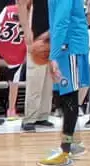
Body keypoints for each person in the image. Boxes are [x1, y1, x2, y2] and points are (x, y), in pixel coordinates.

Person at [38, 0, 89, 166]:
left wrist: (53, 55)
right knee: (62, 97)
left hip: (69, 47)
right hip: (66, 44)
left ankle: (65, 151)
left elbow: (62, 20)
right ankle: (73, 144)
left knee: (69, 97)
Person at [18, 0, 56, 128]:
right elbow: (21, 4)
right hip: (37, 38)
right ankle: (29, 118)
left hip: (54, 38)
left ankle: (42, 115)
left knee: (48, 81)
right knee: (35, 79)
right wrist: (26, 30)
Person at [0, 0, 26, 117]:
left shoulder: (7, 9)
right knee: (14, 82)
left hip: (1, 46)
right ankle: (11, 110)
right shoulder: (30, 12)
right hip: (17, 49)